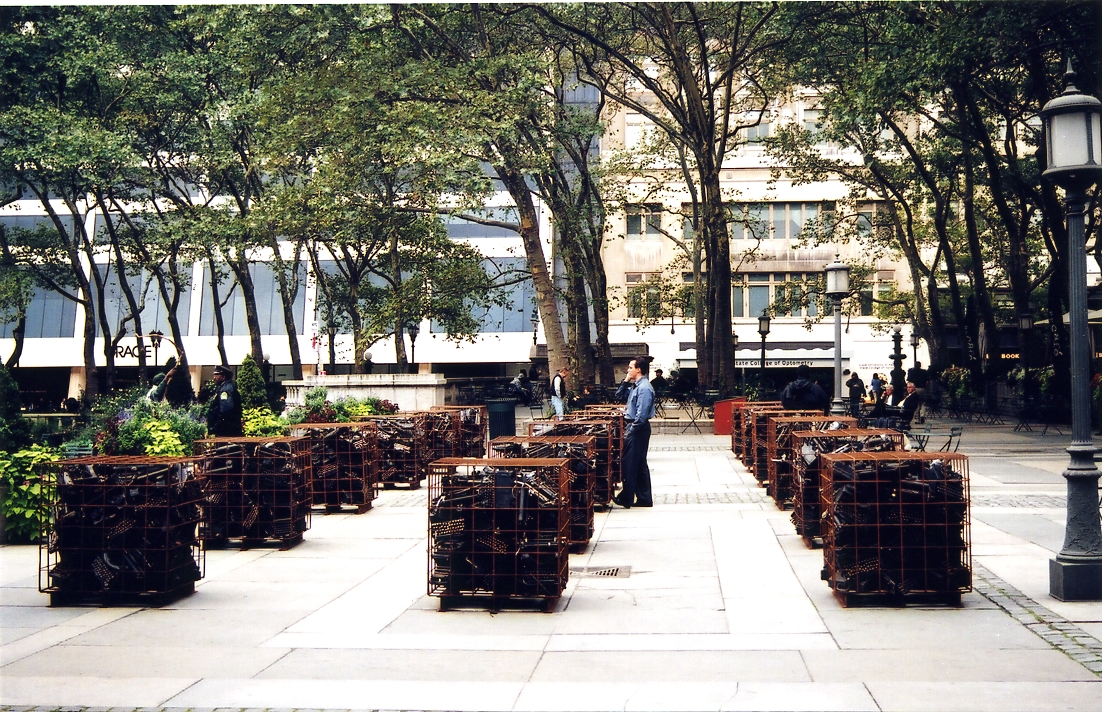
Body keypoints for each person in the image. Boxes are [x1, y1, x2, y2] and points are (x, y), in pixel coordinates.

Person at [613, 355, 655, 509]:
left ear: (639, 369)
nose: (628, 370)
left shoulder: (644, 388)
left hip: (638, 428)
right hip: (637, 427)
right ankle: (644, 498)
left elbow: (642, 414)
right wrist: (625, 380)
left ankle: (627, 497)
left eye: (630, 367)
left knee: (630, 463)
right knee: (638, 463)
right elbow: (618, 396)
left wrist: (631, 430)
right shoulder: (636, 386)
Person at [206, 365, 243, 437]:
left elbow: (226, 410)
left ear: (223, 377)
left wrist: (216, 425)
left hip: (225, 430)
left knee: (224, 447)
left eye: (217, 375)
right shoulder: (227, 387)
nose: (214, 378)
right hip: (229, 428)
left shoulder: (225, 390)